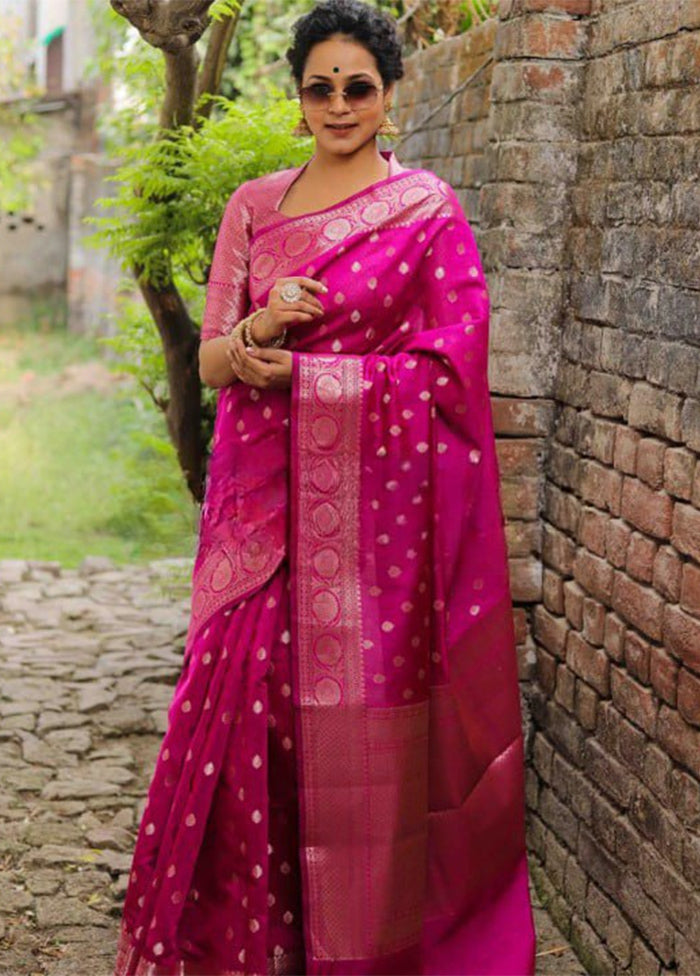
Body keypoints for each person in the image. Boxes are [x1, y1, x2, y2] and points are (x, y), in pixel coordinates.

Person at [113, 1, 537, 973]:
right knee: (236, 702)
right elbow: (214, 361)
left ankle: (353, 942)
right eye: (319, 86)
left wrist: (314, 378)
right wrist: (263, 334)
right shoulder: (255, 207)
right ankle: (238, 943)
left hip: (373, 529)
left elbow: (448, 372)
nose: (338, 103)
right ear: (297, 96)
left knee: (355, 726)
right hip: (259, 515)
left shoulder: (426, 212)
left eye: (358, 87)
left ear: (390, 97)